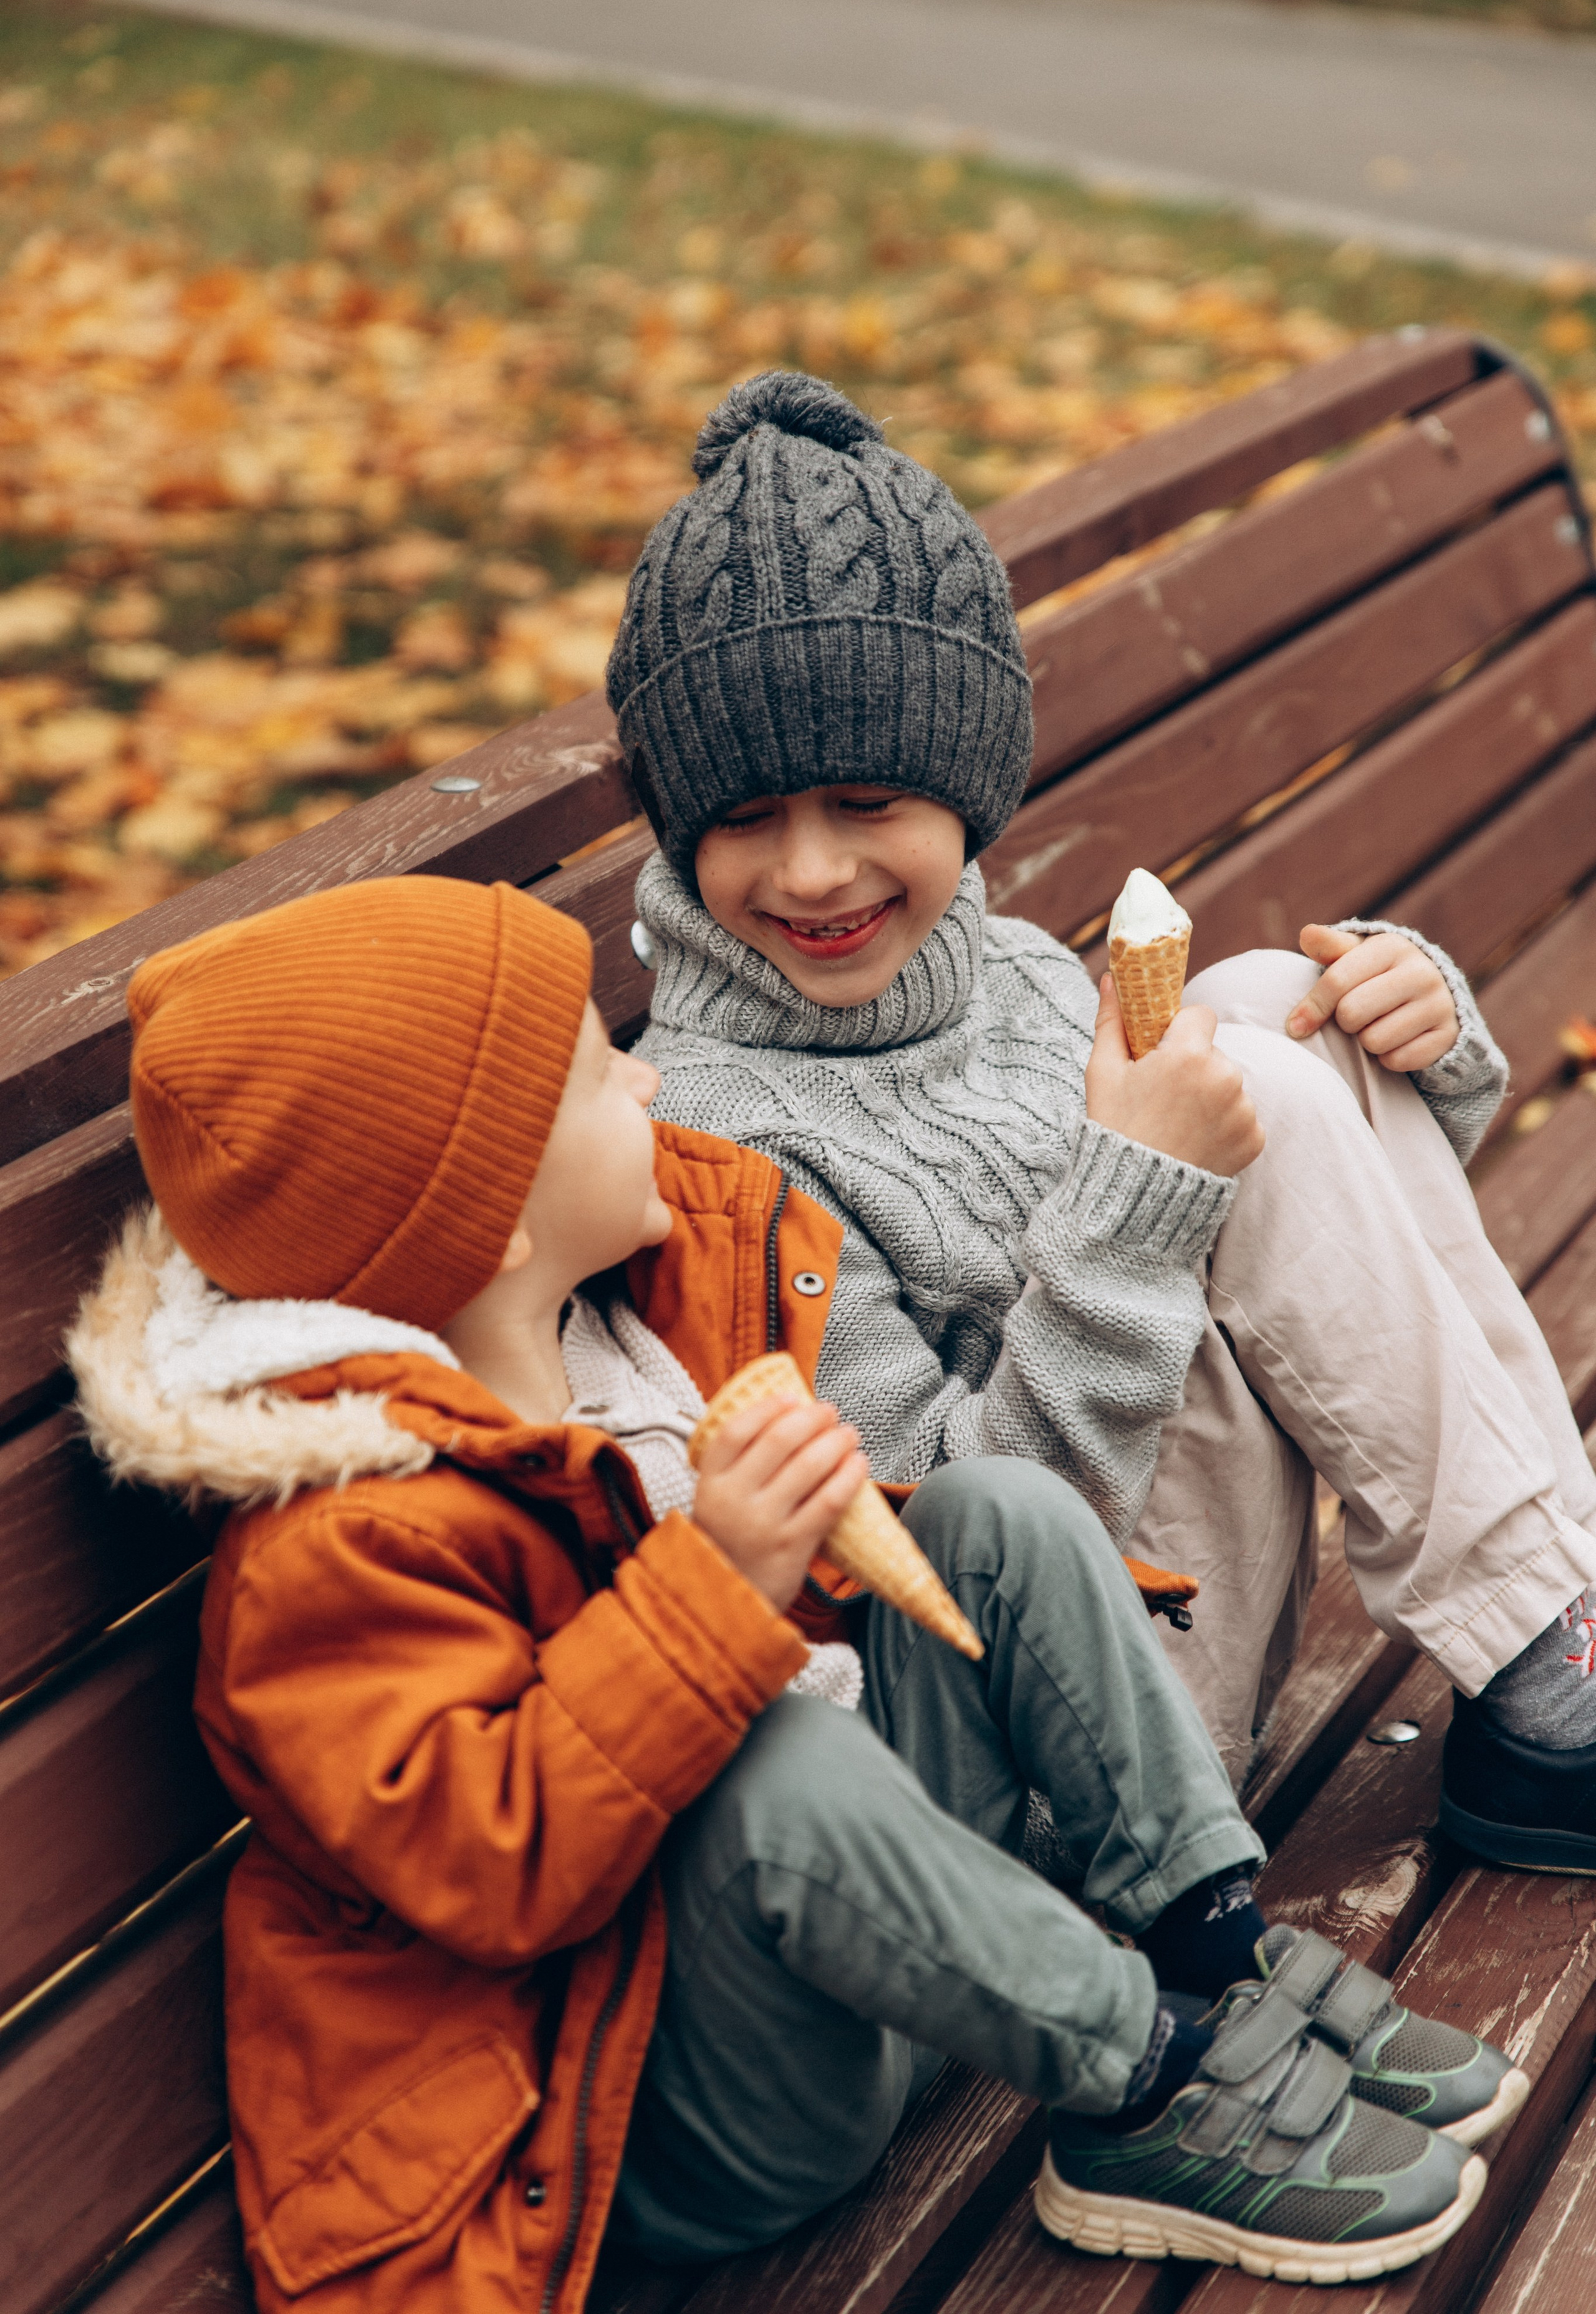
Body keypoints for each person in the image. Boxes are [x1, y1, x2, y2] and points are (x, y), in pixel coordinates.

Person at [70, 876, 1514, 2307]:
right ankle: (1141, 2091)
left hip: (876, 1952)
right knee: (780, 1758)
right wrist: (716, 1587)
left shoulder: (630, 1317)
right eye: (591, 1071)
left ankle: (1211, 1950)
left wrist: (817, 1529)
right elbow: (492, 1865)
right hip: (663, 2110)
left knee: (992, 1515)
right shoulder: (339, 1541)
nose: (643, 1079)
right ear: (489, 1216)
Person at [613, 368, 1596, 1847]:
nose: (811, 873)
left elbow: (1321, 1273)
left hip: (1191, 1602)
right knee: (1233, 1068)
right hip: (1056, 1750)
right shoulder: (721, 1148)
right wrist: (1139, 1207)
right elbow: (950, 1551)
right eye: (742, 823)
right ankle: (1545, 1672)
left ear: (967, 789)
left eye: (867, 802)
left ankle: (1547, 1640)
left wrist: (1419, 1038)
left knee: (1271, 1000)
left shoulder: (1010, 977)